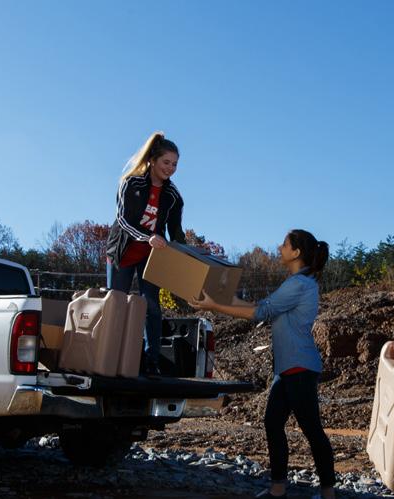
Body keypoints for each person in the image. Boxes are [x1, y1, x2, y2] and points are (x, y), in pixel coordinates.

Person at [190, 229, 336, 499]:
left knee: (311, 429)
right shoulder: (298, 282)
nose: (280, 248)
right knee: (273, 423)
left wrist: (215, 306)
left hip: (299, 367)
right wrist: (216, 300)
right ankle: (278, 490)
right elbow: (259, 306)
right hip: (289, 368)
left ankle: (328, 494)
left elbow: (260, 312)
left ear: (296, 252)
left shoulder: (299, 284)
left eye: (285, 244)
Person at [105, 131, 186, 375]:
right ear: (152, 160)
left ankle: (152, 361)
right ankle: (109, 356)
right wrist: (147, 237)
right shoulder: (131, 183)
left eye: (175, 164)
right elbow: (123, 221)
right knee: (116, 303)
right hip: (123, 251)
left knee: (151, 306)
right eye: (166, 162)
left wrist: (188, 254)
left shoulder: (173, 197)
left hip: (150, 256)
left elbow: (176, 231)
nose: (170, 168)